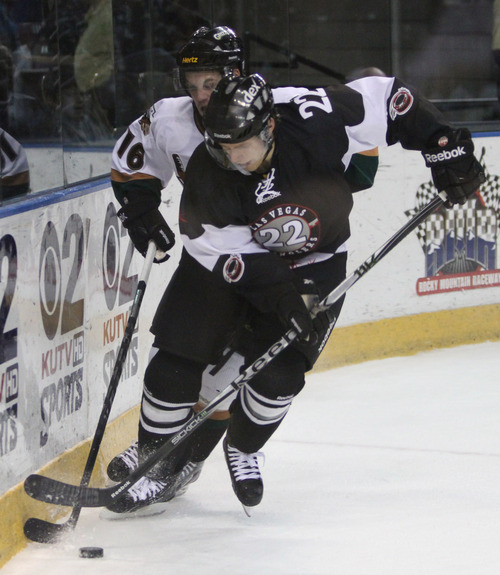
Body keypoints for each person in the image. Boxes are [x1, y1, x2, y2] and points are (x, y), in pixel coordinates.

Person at [113, 72, 484, 513]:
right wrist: (278, 296)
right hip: (236, 264)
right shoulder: (210, 170)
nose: (231, 158)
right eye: (222, 147)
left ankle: (244, 448)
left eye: (241, 147)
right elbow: (215, 246)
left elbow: (391, 98)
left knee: (279, 376)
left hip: (316, 261)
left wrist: (444, 145)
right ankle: (154, 464)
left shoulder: (317, 119)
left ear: (269, 127)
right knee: (177, 357)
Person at [107, 26, 379, 516]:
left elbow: (360, 157)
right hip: (216, 251)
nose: (199, 98)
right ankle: (155, 455)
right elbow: (133, 161)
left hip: (294, 262)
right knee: (178, 356)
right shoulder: (172, 118)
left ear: (235, 74)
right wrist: (141, 208)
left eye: (209, 84)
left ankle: (195, 456)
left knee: (259, 372)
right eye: (191, 87)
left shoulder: (287, 112)